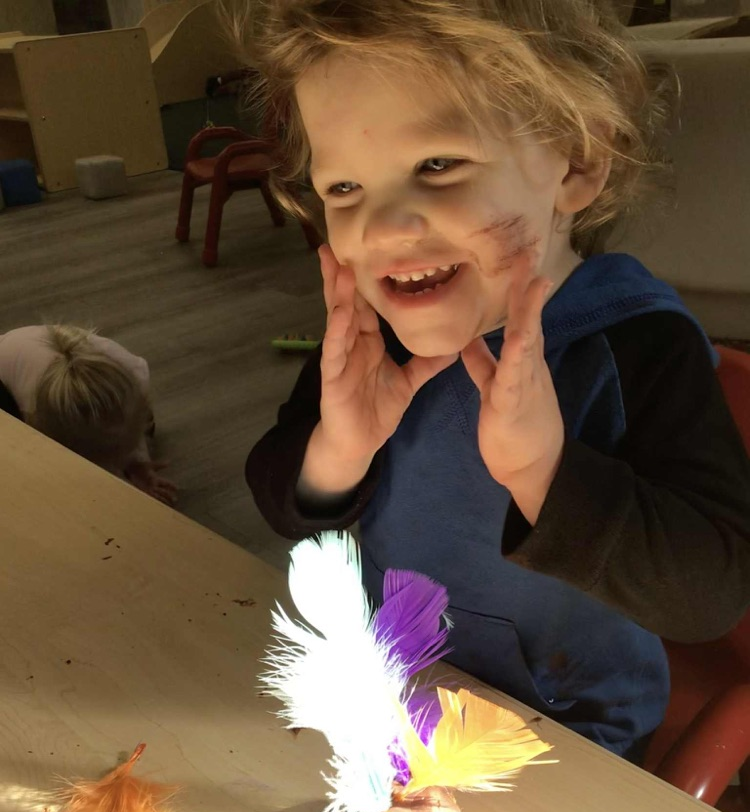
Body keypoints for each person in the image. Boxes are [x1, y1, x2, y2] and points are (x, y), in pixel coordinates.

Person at [243, 0, 750, 760]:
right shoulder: (374, 338)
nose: (380, 229)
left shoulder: (640, 344)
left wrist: (544, 475)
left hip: (570, 736)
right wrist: (336, 449)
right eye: (343, 189)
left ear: (576, 163)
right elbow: (283, 502)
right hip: (398, 692)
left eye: (436, 165)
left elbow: (714, 592)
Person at [0, 324, 177, 505]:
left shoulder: (136, 374)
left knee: (142, 425)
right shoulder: (32, 411)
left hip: (37, 349)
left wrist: (138, 461)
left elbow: (129, 425)